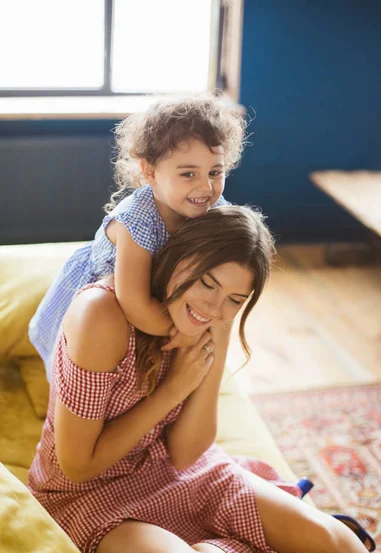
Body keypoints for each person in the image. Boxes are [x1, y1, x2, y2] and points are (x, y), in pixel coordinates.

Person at [28, 206, 381, 553]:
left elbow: (186, 454)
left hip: (172, 469)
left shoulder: (213, 318)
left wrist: (215, 344)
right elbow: (78, 466)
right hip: (86, 494)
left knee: (326, 535)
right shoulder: (102, 314)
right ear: (177, 257)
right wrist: (173, 389)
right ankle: (254, 546)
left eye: (235, 299)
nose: (213, 308)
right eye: (206, 282)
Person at [28, 94, 245, 380]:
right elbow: (135, 305)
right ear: (150, 171)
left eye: (215, 172)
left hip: (159, 301)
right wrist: (184, 332)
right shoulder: (136, 220)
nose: (205, 186)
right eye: (189, 174)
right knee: (80, 365)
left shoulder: (214, 208)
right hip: (107, 302)